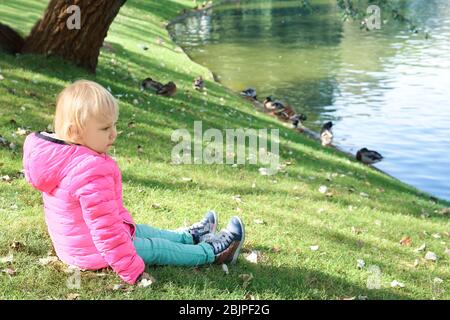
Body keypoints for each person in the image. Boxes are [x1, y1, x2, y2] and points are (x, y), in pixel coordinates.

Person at [22, 80, 245, 284]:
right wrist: (132, 270)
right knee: (156, 247)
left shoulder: (58, 156)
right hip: (92, 251)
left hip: (76, 244)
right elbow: (106, 230)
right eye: (105, 129)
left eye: (114, 125)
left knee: (142, 230)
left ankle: (190, 237)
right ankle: (213, 253)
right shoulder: (88, 170)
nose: (114, 134)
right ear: (75, 132)